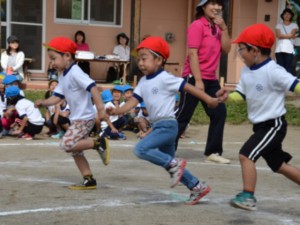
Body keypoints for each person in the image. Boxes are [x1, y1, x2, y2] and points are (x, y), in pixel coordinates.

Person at [106, 36, 222, 205]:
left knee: (141, 150)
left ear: (159, 60)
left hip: (168, 125)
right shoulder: (143, 83)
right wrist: (116, 110)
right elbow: (132, 103)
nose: (140, 63)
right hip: (159, 126)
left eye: (144, 58)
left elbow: (188, 87)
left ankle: (175, 166)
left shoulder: (166, 78)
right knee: (170, 164)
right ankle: (197, 187)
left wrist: (209, 100)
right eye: (139, 59)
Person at [217, 23, 300, 211]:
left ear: (254, 50)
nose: (240, 54)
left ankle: (248, 196)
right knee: (279, 165)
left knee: (246, 155)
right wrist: (227, 97)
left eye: (241, 50)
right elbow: (241, 95)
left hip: (274, 126)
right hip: (260, 127)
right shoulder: (247, 71)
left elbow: (295, 85)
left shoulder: (274, 71)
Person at [35, 36, 109, 190]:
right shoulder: (63, 75)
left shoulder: (75, 72)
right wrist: (44, 102)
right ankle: (89, 180)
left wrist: (101, 110)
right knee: (76, 151)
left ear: (67, 56)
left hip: (85, 118)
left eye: (54, 58)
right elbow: (57, 97)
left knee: (67, 144)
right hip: (78, 119)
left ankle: (98, 143)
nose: (52, 62)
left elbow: (93, 87)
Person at [175, 0, 231, 164]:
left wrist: (225, 28)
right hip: (193, 77)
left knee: (219, 112)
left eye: (218, 4)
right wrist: (198, 80)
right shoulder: (197, 25)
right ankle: (166, 149)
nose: (217, 8)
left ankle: (213, 152)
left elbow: (226, 49)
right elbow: (192, 54)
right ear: (203, 7)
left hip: (211, 78)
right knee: (183, 116)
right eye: (212, 4)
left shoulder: (216, 28)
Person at [275, 8, 299, 74]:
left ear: (291, 16)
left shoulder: (294, 25)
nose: (287, 15)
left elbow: (292, 34)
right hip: (279, 49)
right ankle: (280, 83)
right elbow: (278, 36)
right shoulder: (279, 25)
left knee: (288, 67)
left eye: (289, 14)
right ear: (282, 15)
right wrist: (290, 35)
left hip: (289, 49)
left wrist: (283, 35)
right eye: (285, 14)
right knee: (280, 68)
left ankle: (288, 83)